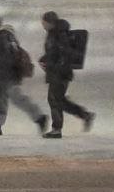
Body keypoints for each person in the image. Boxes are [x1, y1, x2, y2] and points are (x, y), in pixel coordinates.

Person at [0, 13, 48, 136]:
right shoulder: (2, 35)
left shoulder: (3, 36)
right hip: (3, 75)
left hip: (7, 75)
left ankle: (40, 117)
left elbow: (7, 56)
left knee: (16, 98)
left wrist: (3, 71)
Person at [38, 10, 94, 139]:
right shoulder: (53, 33)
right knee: (60, 101)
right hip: (56, 72)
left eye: (44, 22)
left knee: (54, 100)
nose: (42, 25)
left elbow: (65, 53)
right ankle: (85, 115)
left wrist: (57, 68)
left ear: (50, 22)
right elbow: (53, 52)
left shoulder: (60, 34)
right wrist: (45, 59)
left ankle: (56, 129)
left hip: (60, 73)